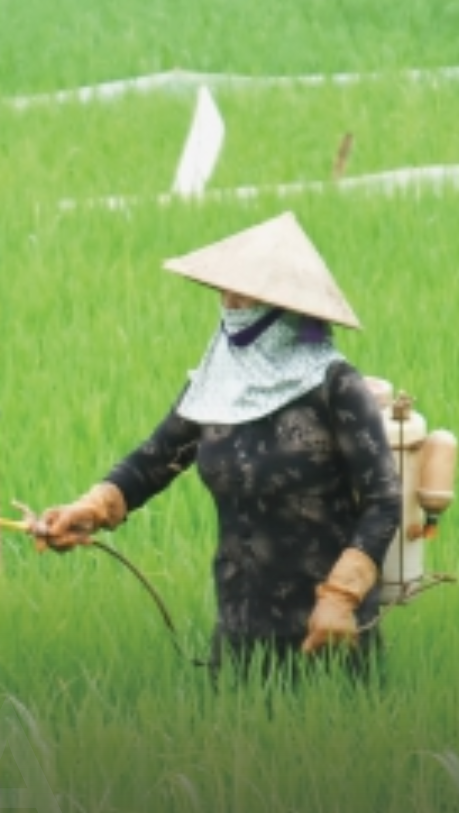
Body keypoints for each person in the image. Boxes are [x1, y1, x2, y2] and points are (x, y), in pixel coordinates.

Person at [36, 212, 402, 676]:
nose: (228, 305)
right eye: (223, 293)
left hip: (328, 633)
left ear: (282, 304)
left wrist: (341, 598)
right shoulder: (215, 386)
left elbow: (383, 502)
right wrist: (88, 510)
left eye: (242, 295)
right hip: (239, 630)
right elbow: (155, 459)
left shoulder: (334, 386)